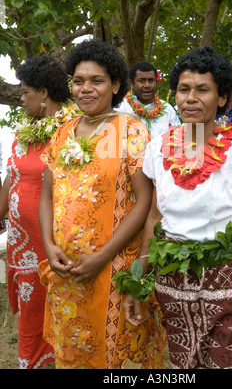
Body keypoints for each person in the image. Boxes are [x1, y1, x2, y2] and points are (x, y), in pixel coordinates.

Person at [123, 46, 232, 369]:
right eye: (183, 89)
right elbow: (154, 217)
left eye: (203, 90)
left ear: (221, 98)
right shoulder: (157, 149)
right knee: (184, 365)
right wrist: (139, 281)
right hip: (173, 284)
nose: (191, 98)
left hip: (230, 286)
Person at [38, 39, 166, 369]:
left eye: (96, 81)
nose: (86, 89)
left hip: (113, 270)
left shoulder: (131, 131)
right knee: (74, 355)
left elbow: (145, 201)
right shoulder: (62, 132)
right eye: (79, 81)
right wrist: (50, 247)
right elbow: (47, 196)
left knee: (116, 359)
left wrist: (102, 256)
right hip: (66, 273)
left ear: (115, 85)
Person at [0, 55, 75, 369]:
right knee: (30, 318)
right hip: (21, 243)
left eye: (26, 90)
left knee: (59, 316)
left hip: (52, 243)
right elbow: (12, 178)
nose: (21, 97)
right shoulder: (25, 131)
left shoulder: (73, 131)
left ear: (44, 93)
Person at [116, 61, 180, 139]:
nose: (147, 85)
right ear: (131, 83)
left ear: (156, 82)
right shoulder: (120, 108)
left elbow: (178, 141)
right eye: (141, 80)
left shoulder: (168, 110)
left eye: (151, 80)